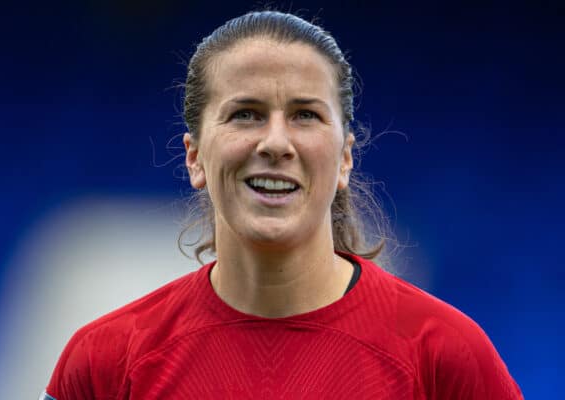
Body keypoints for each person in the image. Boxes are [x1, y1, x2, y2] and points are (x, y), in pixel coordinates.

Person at [42, 11, 523, 399]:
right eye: (245, 113)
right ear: (194, 157)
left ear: (344, 159)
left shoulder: (444, 355)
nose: (276, 142)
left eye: (305, 115)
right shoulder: (105, 362)